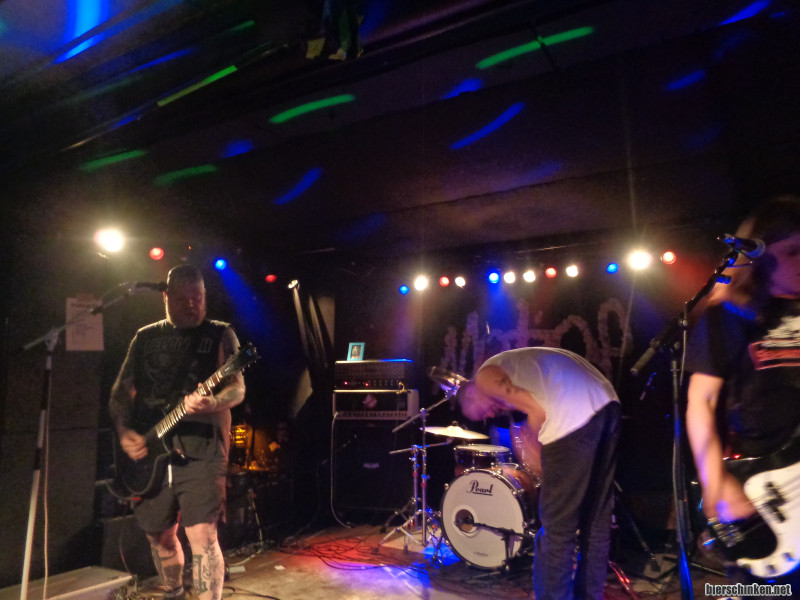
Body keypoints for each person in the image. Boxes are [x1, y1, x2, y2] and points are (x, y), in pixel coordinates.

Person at [109, 264, 246, 600]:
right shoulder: (145, 337)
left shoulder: (220, 334)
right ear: (166, 297)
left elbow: (237, 388)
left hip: (203, 449)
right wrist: (124, 431)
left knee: (203, 536)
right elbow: (120, 392)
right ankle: (173, 593)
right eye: (183, 298)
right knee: (159, 535)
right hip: (152, 450)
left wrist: (212, 402)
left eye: (197, 297)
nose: (191, 304)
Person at [685, 195, 800, 586]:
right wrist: (717, 484)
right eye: (792, 252)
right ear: (761, 258)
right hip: (763, 479)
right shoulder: (730, 315)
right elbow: (701, 401)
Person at [456, 346, 621, 600]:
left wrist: (534, 452)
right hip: (608, 404)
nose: (489, 415)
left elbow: (536, 410)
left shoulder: (484, 378)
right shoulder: (517, 365)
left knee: (558, 527)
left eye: (481, 411)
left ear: (472, 392)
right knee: (596, 520)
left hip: (571, 415)